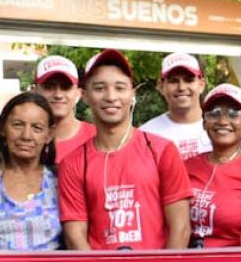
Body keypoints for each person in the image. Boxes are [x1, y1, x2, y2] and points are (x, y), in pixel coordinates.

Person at [58, 49, 193, 251]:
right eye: (100, 88)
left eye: (120, 88)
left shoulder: (162, 150)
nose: (111, 97)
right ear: (85, 96)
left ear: (132, 94)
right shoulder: (73, 163)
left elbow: (180, 229)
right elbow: (75, 236)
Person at [183, 84, 241, 247]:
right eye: (214, 113)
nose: (223, 121)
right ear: (204, 122)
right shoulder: (187, 166)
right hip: (186, 261)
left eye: (234, 114)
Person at [0, 91, 63, 250]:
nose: (26, 136)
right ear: (3, 128)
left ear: (49, 134)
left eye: (37, 128)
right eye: (18, 125)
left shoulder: (60, 178)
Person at [140, 52, 211, 160]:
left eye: (189, 80)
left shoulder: (223, 129)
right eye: (173, 81)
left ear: (201, 85)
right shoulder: (146, 135)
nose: (181, 87)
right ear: (161, 87)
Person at [33, 55, 96, 163]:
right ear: (34, 91)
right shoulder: (22, 141)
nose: (58, 95)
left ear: (79, 93)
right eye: (49, 87)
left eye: (66, 87)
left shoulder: (98, 138)